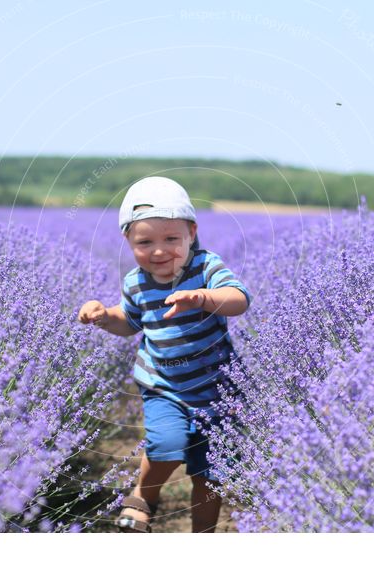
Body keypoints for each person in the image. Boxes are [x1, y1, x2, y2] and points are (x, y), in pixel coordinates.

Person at [77, 176, 251, 533]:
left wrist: (204, 298)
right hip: (163, 385)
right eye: (145, 242)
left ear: (192, 233)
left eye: (171, 239)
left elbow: (239, 298)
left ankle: (202, 533)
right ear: (128, 240)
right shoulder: (136, 282)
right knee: (166, 445)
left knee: (212, 472)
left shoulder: (205, 267)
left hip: (217, 389)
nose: (159, 251)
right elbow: (130, 321)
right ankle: (145, 494)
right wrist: (104, 316)